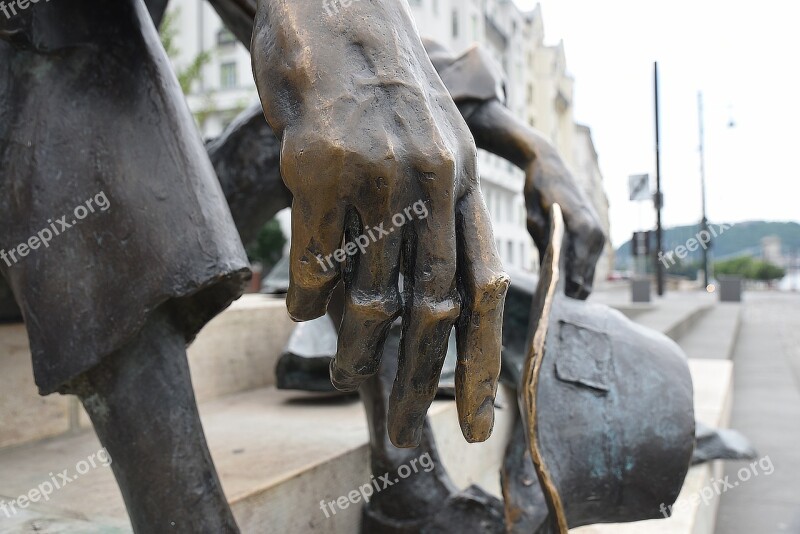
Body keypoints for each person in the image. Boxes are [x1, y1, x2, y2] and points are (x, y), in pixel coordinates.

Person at [0, 0, 508, 531]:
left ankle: (405, 482)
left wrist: (530, 147)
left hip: (103, 199)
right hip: (49, 188)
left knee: (335, 137)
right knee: (77, 37)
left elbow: (361, 55)